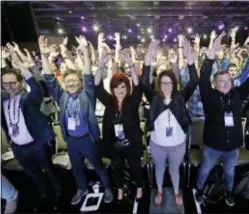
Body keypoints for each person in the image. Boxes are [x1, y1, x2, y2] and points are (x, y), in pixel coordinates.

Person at [41, 35, 113, 205]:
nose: (71, 84)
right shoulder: (62, 96)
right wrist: (45, 57)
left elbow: (88, 75)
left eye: (74, 81)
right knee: (77, 168)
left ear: (80, 83)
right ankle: (82, 189)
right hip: (72, 141)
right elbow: (50, 79)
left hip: (88, 139)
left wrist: (86, 53)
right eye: (67, 82)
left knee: (98, 166)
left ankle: (108, 188)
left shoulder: (87, 95)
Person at [195, 30, 249, 207]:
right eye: (221, 81)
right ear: (214, 84)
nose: (226, 83)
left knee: (230, 173)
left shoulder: (238, 94)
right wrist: (211, 55)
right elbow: (202, 79)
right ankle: (200, 191)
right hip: (212, 146)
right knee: (204, 170)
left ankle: (229, 192)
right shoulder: (209, 95)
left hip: (232, 147)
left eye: (229, 80)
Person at [141, 39, 198, 206]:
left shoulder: (180, 98)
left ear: (174, 84)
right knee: (159, 169)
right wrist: (149, 57)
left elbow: (194, 81)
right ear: (159, 84)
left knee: (174, 170)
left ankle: (175, 191)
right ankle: (159, 190)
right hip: (157, 144)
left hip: (177, 145)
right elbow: (144, 83)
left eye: (170, 82)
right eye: (163, 83)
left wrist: (189, 59)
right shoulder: (155, 98)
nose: (166, 86)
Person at [0, 52, 62, 207]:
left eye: (13, 83)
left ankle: (60, 193)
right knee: (33, 173)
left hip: (37, 144)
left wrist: (21, 66)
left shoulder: (28, 98)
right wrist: (2, 62)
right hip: (18, 147)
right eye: (5, 84)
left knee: (49, 170)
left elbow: (36, 88)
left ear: (20, 82)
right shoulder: (3, 99)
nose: (10, 87)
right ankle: (43, 193)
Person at [94, 46, 143, 201]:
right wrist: (101, 65)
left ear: (127, 88)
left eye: (123, 87)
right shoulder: (109, 101)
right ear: (112, 88)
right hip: (114, 143)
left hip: (131, 143)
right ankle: (120, 189)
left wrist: (131, 64)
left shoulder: (132, 101)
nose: (119, 90)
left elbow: (138, 86)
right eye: (116, 87)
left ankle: (139, 187)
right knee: (117, 168)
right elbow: (96, 87)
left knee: (135, 167)